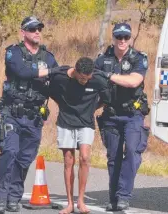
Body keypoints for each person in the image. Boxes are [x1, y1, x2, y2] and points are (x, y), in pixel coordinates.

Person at [0, 16, 60, 214]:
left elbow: (56, 79)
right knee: (9, 152)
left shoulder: (48, 57)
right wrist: (48, 72)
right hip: (12, 112)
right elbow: (21, 71)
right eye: (32, 29)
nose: (37, 31)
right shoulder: (14, 52)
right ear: (23, 32)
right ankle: (0, 198)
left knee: (25, 158)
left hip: (34, 116)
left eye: (39, 28)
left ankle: (14, 197)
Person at [95, 22, 150, 211]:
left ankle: (123, 196)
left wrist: (108, 76)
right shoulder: (102, 60)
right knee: (113, 157)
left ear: (130, 38)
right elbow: (94, 88)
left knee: (133, 154)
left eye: (126, 37)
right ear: (113, 38)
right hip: (111, 115)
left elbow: (134, 81)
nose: (123, 41)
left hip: (132, 114)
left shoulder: (138, 58)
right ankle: (113, 198)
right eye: (119, 37)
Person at [48, 57, 111, 214]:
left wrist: (92, 108)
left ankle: (80, 201)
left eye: (88, 78)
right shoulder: (61, 77)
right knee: (68, 161)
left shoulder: (98, 80)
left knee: (84, 157)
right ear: (75, 72)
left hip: (86, 123)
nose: (85, 81)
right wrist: (64, 106)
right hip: (65, 122)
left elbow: (107, 98)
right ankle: (69, 203)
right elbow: (51, 92)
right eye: (82, 78)